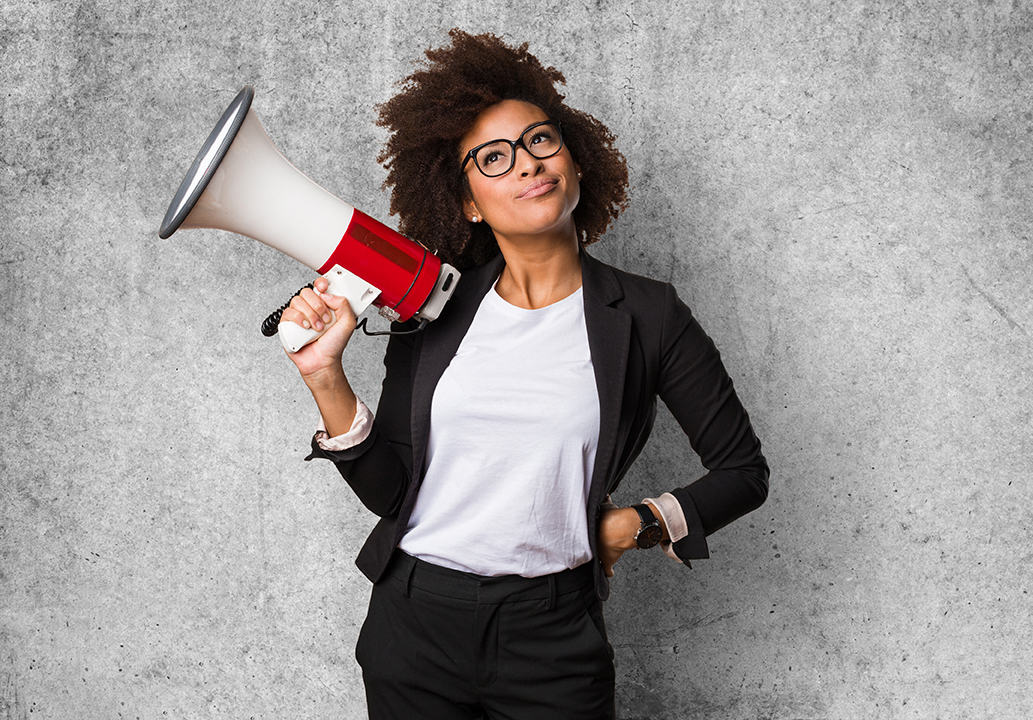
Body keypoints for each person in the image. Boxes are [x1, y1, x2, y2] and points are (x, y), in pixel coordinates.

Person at [280, 30, 769, 720]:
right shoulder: (430, 313)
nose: (527, 164)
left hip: (553, 634)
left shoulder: (648, 313)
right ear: (470, 203)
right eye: (494, 157)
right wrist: (324, 374)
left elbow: (743, 471)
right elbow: (391, 493)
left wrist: (639, 524)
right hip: (413, 624)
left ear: (573, 161)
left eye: (541, 140)